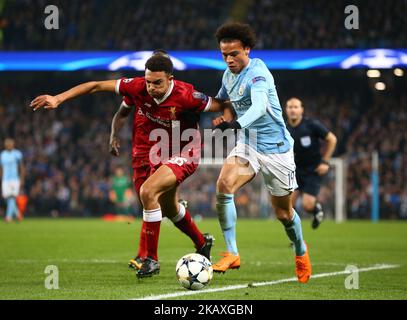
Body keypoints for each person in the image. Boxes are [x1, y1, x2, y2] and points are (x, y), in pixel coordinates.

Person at [30, 52, 227, 278]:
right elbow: (95, 86)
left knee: (148, 191)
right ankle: (202, 242)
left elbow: (221, 105)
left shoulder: (187, 95)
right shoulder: (136, 88)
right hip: (149, 152)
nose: (151, 87)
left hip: (185, 151)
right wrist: (58, 98)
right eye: (148, 81)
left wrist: (232, 117)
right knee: (167, 206)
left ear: (170, 79)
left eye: (157, 83)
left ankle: (150, 258)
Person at [211, 22, 312, 283]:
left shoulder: (259, 73)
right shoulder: (227, 75)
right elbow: (221, 99)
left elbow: (259, 106)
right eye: (224, 55)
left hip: (277, 150)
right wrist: (207, 109)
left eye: (234, 54)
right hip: (249, 142)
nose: (229, 60)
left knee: (283, 214)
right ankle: (232, 252)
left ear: (247, 49)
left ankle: (300, 250)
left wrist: (235, 123)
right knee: (224, 184)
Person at [285, 97, 337, 229]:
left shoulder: (312, 125)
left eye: (296, 107)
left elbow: (332, 139)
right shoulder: (284, 129)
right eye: (290, 107)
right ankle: (295, 238)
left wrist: (325, 161)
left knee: (307, 205)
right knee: (287, 207)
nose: (293, 110)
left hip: (313, 170)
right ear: (286, 110)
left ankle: (316, 210)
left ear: (301, 110)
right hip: (295, 170)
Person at [0, 138, 25, 223]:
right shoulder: (2, 155)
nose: (9, 145)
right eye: (7, 144)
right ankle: (18, 215)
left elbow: (21, 167)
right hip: (5, 179)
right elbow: (1, 168)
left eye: (10, 144)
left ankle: (8, 217)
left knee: (12, 197)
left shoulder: (17, 154)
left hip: (14, 179)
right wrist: (1, 179)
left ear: (13, 144)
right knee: (7, 199)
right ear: (5, 145)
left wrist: (22, 179)